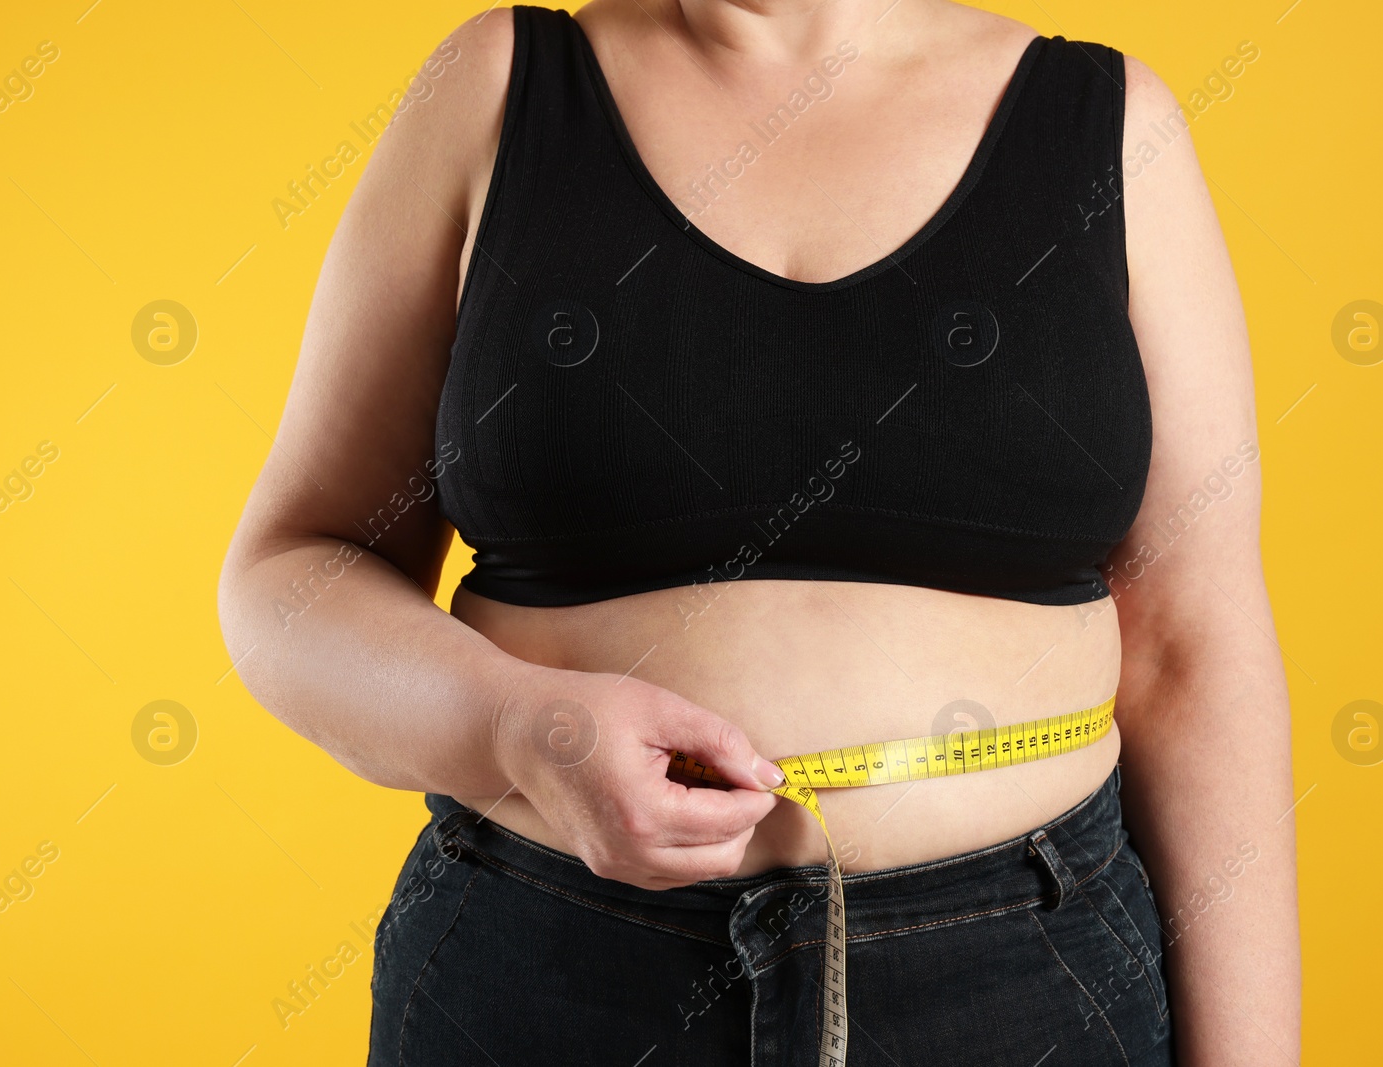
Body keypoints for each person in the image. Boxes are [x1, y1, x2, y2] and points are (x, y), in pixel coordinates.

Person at [217, 0, 1300, 1063]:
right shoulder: (499, 86)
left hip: (1024, 983)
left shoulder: (1109, 124)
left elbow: (1192, 648)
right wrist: (516, 727)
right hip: (548, 967)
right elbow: (292, 573)